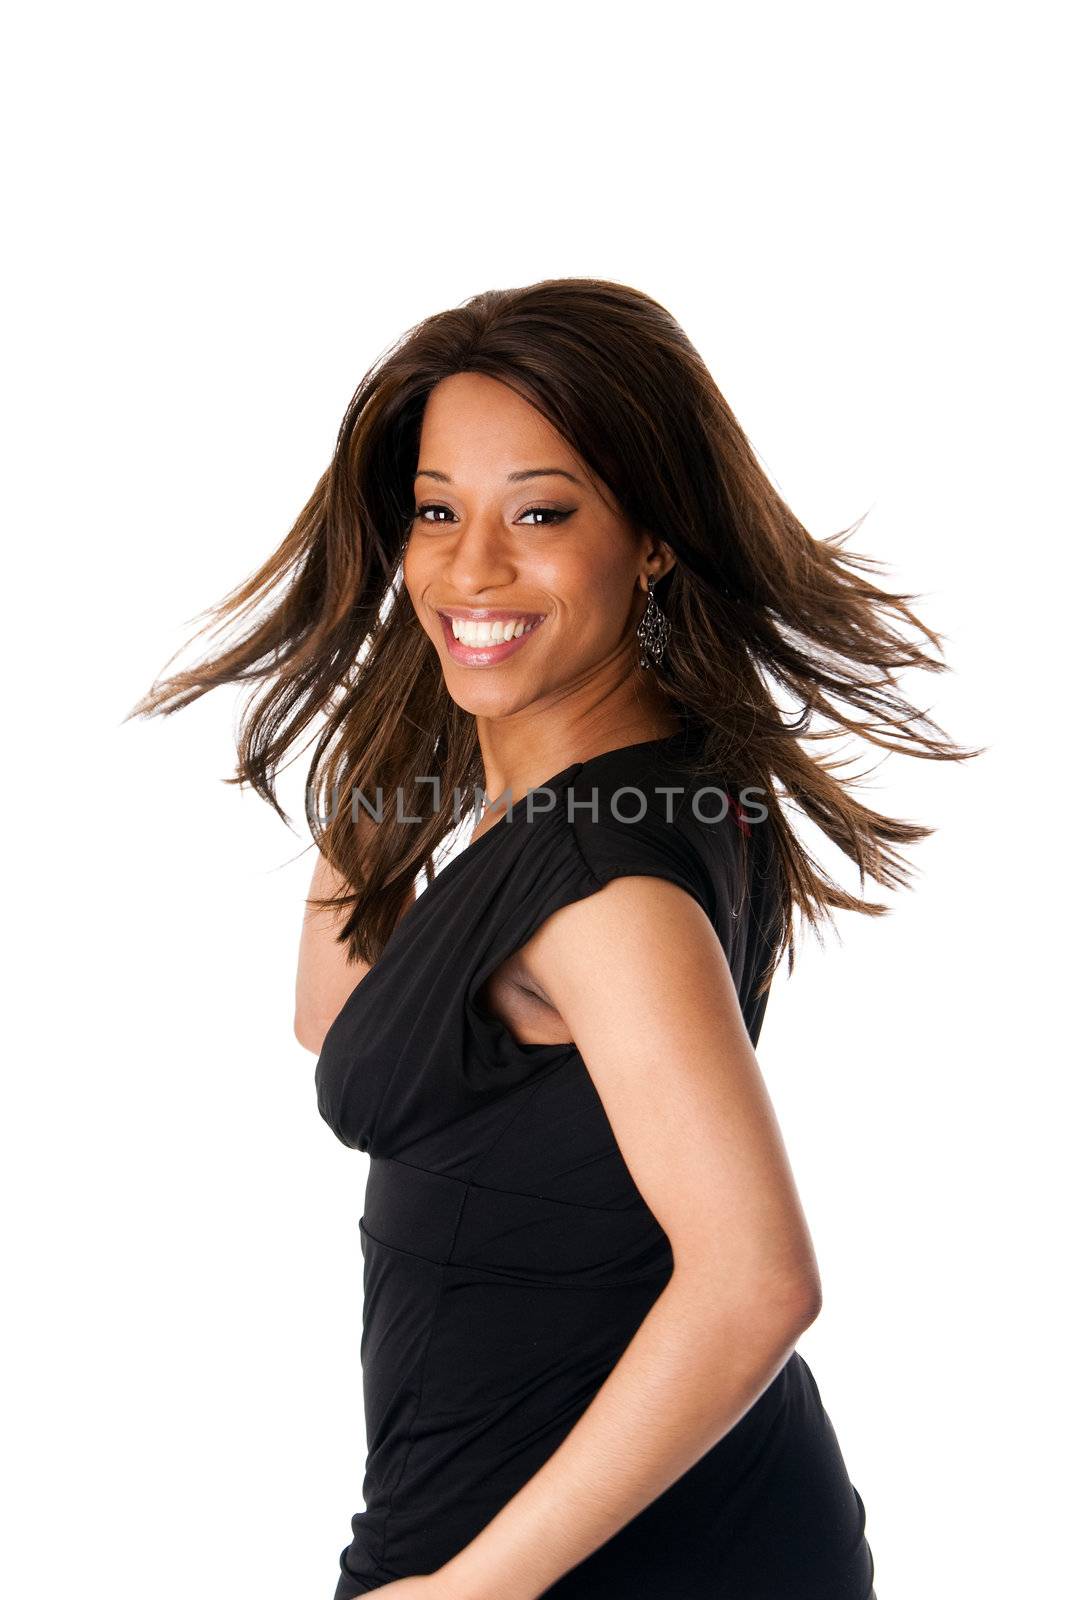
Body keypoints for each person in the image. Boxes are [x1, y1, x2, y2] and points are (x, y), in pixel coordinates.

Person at [132, 278, 973, 1597]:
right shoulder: (667, 773)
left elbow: (756, 1283)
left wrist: (471, 1591)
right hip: (604, 1515)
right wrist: (424, 705)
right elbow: (343, 1014)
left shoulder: (595, 884)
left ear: (651, 538)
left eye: (539, 512)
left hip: (571, 1554)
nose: (472, 566)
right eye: (434, 514)